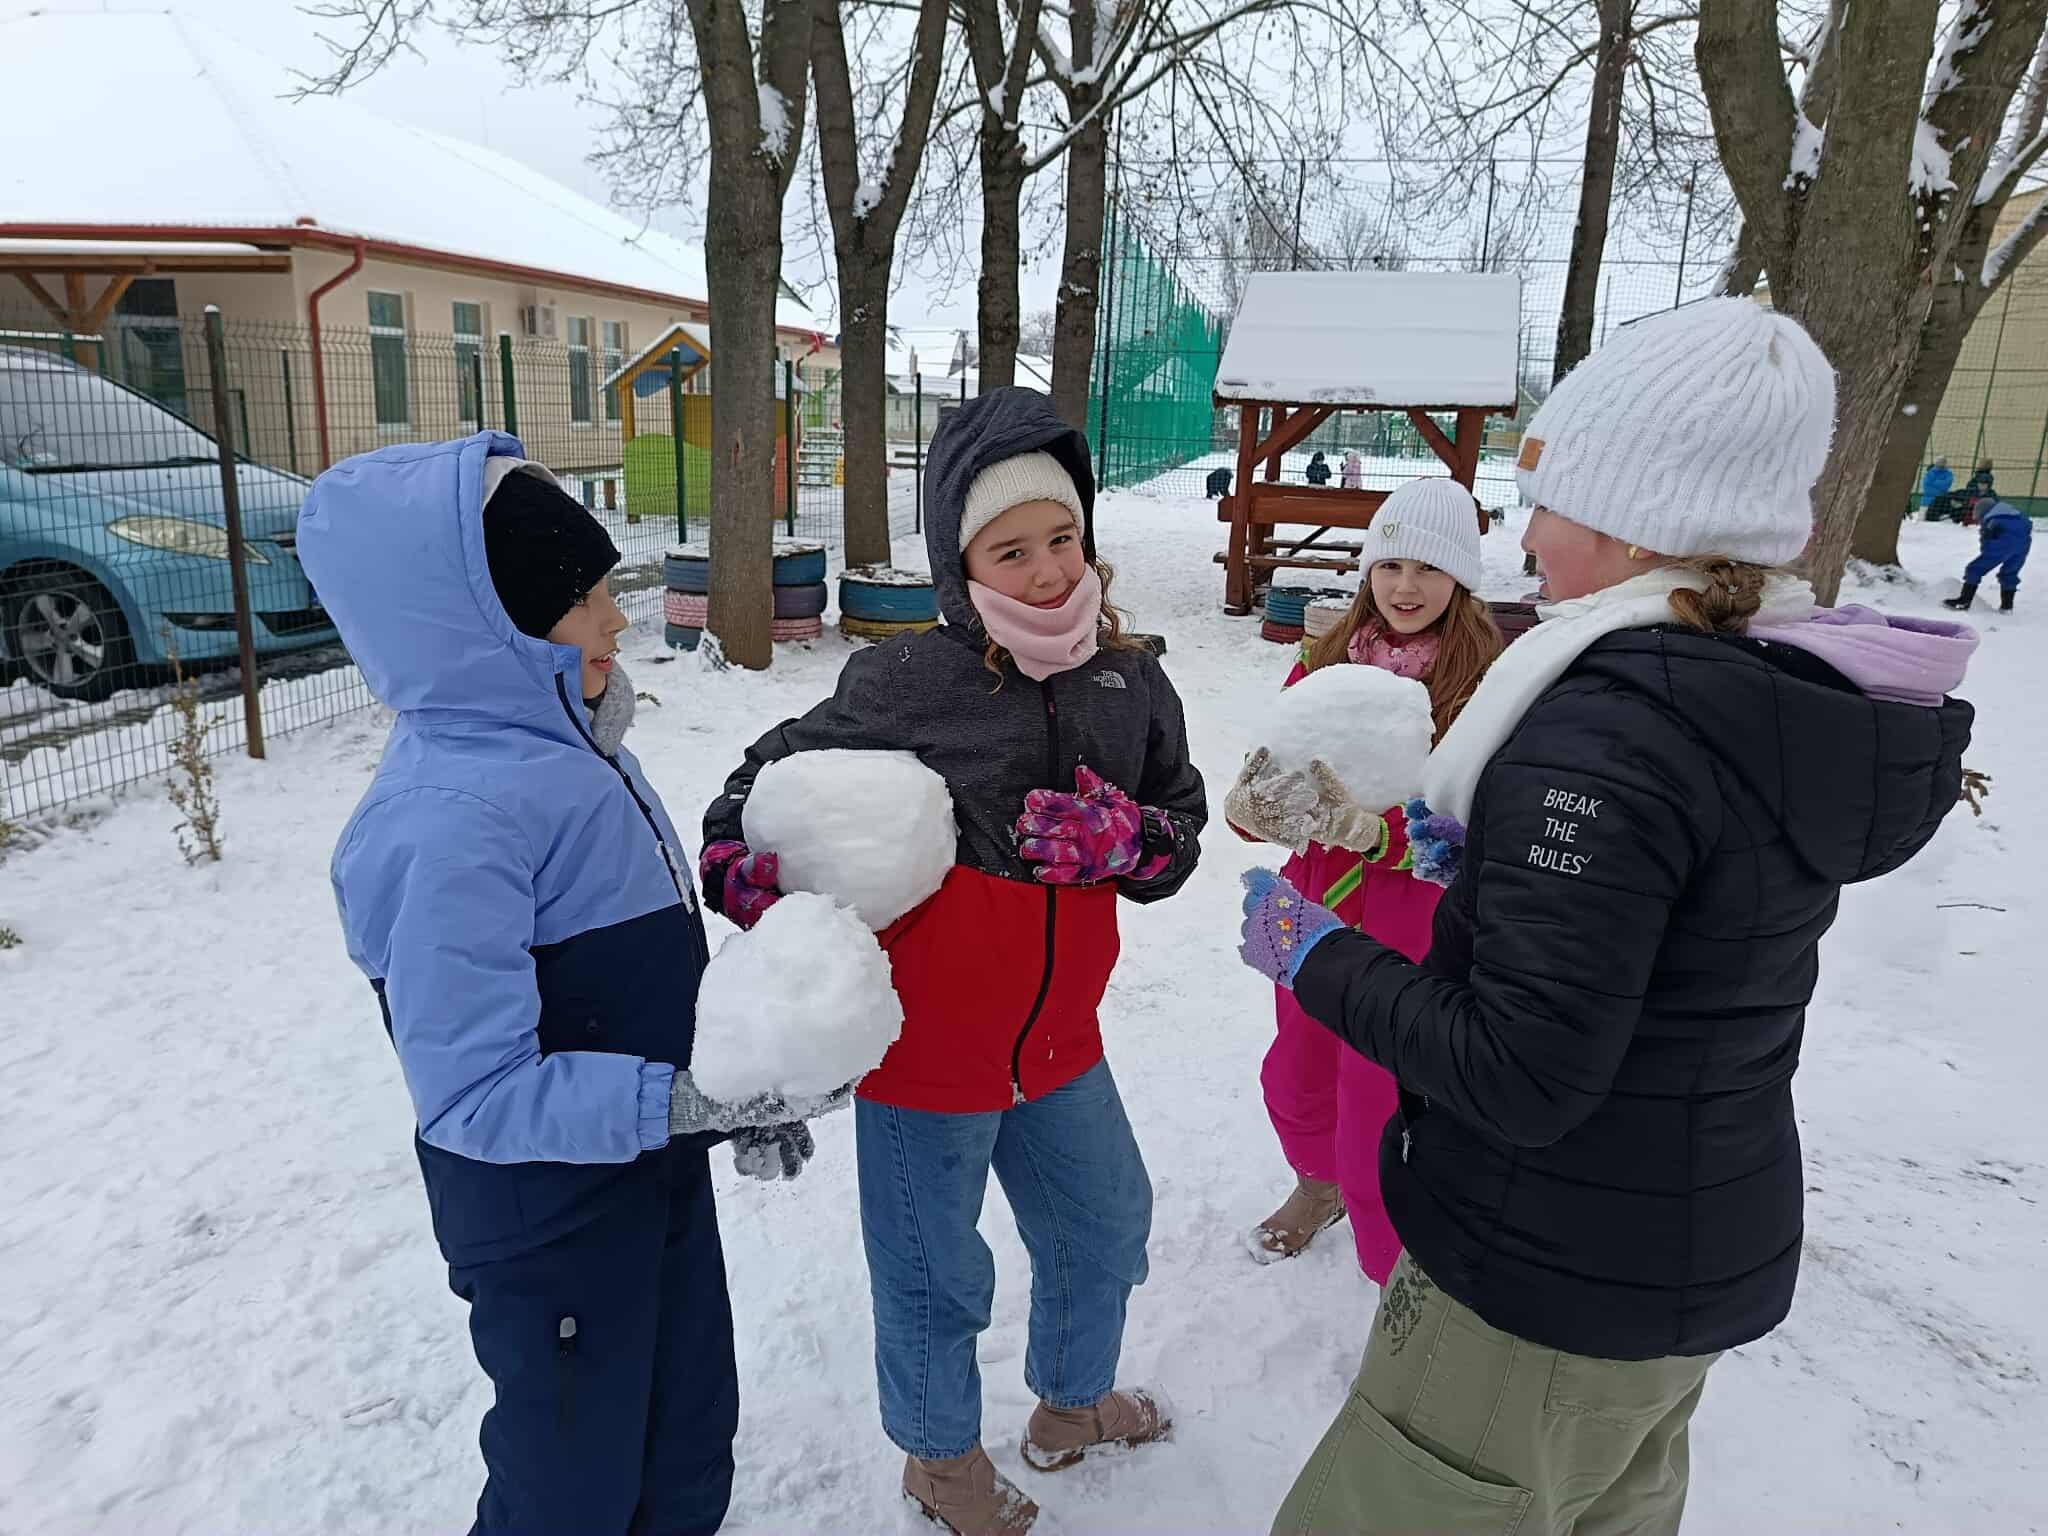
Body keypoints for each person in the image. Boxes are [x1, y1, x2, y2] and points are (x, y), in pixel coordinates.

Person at [1237, 299, 1975, 1535]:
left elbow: (1519, 1072)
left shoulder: (1606, 732)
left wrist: (1313, 954)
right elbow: (1674, 925)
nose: (1527, 534)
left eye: (1549, 500)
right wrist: (1482, 856)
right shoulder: (1764, 691)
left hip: (1541, 1274)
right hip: (1680, 1245)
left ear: (1632, 519)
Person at [297, 434, 839, 1536]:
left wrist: (730, 1093)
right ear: (482, 629)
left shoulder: (577, 755)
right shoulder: (446, 823)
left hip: (646, 1183)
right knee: (570, 1494)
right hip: (546, 1228)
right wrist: (689, 1102)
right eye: (582, 599)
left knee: (687, 1444)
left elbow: (630, 985)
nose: (614, 621)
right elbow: (472, 1095)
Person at [700, 389, 1207, 1536]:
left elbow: (1179, 823)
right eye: (1009, 550)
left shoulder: (1128, 681)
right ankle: (938, 1462)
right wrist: (742, 867)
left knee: (1103, 1225)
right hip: (924, 1053)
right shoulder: (910, 684)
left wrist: (1131, 842)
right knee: (934, 1274)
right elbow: (758, 785)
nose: (1046, 571)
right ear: (958, 562)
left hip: (1059, 1043)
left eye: (1061, 537)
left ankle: (1071, 1406)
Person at [1223, 477, 1503, 1278]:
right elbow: (1278, 773)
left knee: (1378, 1101)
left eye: (1428, 568)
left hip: (1414, 918)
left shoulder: (1485, 684)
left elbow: (1480, 830)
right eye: (1390, 565)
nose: (1405, 587)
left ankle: (1390, 1261)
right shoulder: (1324, 661)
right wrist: (1255, 809)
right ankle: (1320, 1188)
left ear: (1461, 577)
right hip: (1311, 905)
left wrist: (1378, 835)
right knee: (1294, 1074)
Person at [1945, 493, 2032, 612]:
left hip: (2004, 543)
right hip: (2024, 545)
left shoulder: (1992, 520)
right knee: (2009, 573)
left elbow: (1986, 541)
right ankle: (2007, 607)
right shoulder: (2014, 514)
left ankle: (1964, 601)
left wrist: (1986, 554)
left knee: (1974, 569)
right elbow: (2028, 526)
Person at [1921, 455, 1955, 521]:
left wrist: (1934, 482)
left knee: (1936, 524)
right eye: (1939, 462)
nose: (1940, 464)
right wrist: (1940, 483)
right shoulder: (1930, 473)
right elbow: (1927, 487)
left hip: (1939, 504)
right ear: (1936, 462)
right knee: (1921, 522)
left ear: (1945, 463)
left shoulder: (1948, 474)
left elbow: (1945, 486)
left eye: (1942, 462)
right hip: (1926, 502)